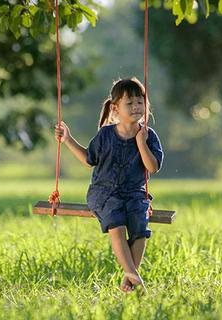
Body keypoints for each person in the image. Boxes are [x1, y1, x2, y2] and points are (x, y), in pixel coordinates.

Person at [54, 77, 163, 293]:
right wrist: (67, 139)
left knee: (140, 229)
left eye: (140, 102)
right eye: (129, 103)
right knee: (117, 224)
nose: (136, 107)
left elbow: (152, 168)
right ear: (115, 108)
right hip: (104, 193)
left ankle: (130, 275)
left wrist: (141, 142)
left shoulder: (148, 136)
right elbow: (88, 159)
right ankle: (135, 277)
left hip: (134, 194)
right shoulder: (105, 135)